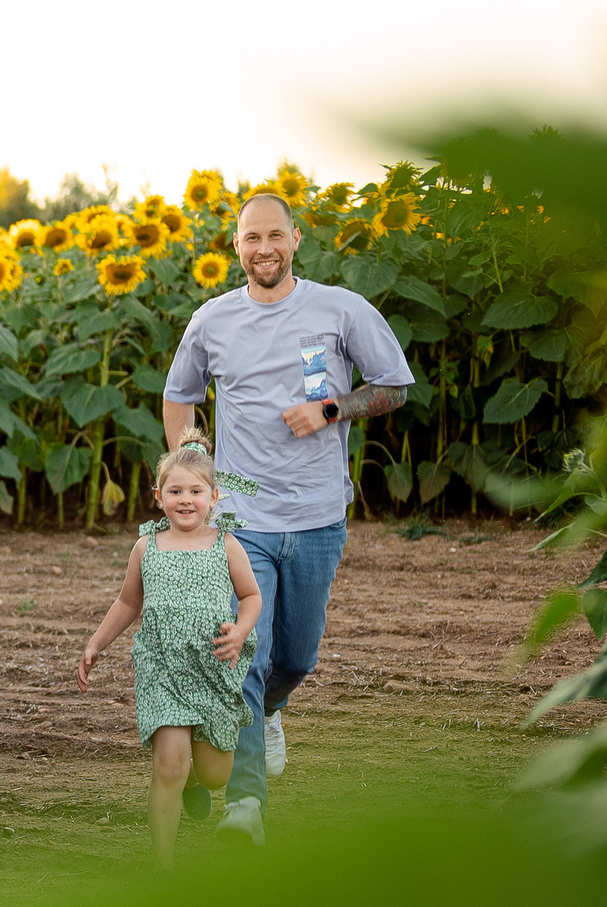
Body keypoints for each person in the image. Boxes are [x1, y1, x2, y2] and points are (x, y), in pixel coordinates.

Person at [160, 191, 414, 847]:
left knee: (296, 656)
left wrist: (332, 409)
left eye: (275, 235)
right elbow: (180, 392)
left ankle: (262, 714)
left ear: (295, 239)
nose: (263, 248)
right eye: (251, 238)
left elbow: (393, 385)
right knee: (248, 651)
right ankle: (245, 805)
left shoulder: (339, 309)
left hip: (317, 515)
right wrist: (189, 460)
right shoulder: (213, 320)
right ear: (235, 246)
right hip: (241, 517)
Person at [77, 447, 263, 870]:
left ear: (214, 497)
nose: (185, 499)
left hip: (213, 668)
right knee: (169, 765)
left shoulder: (225, 544)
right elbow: (127, 603)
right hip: (162, 668)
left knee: (215, 773)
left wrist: (241, 630)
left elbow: (252, 596)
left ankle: (195, 781)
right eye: (175, 490)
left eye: (195, 491)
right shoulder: (147, 547)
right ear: (158, 495)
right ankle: (164, 868)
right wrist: (95, 644)